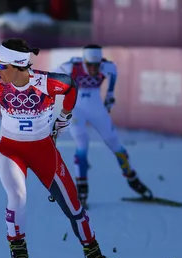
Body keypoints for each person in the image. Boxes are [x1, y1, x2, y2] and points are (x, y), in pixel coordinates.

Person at [0, 38, 119, 258]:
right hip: (10, 150)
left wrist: (65, 115)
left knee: (74, 207)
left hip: (44, 151)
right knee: (17, 196)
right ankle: (18, 252)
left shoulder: (48, 82)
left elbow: (70, 87)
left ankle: (94, 254)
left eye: (2, 66)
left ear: (18, 66)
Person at [53, 44, 153, 209]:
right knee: (82, 143)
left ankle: (132, 178)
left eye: (96, 65)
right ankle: (81, 189)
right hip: (76, 109)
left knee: (114, 142)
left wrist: (110, 96)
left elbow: (113, 76)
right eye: (90, 65)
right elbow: (51, 79)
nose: (93, 69)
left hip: (96, 107)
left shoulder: (108, 66)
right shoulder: (70, 67)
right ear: (84, 61)